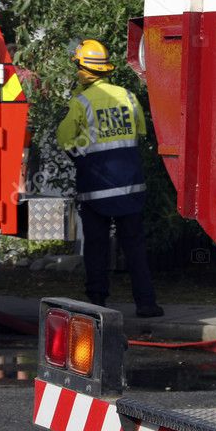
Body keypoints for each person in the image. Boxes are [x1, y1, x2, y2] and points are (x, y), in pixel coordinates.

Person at [56, 39, 164, 318]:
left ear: (83, 69)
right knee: (135, 246)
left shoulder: (81, 102)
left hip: (96, 189)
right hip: (130, 187)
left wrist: (84, 149)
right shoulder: (127, 96)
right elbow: (139, 133)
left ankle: (97, 303)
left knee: (96, 246)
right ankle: (146, 303)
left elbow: (65, 139)